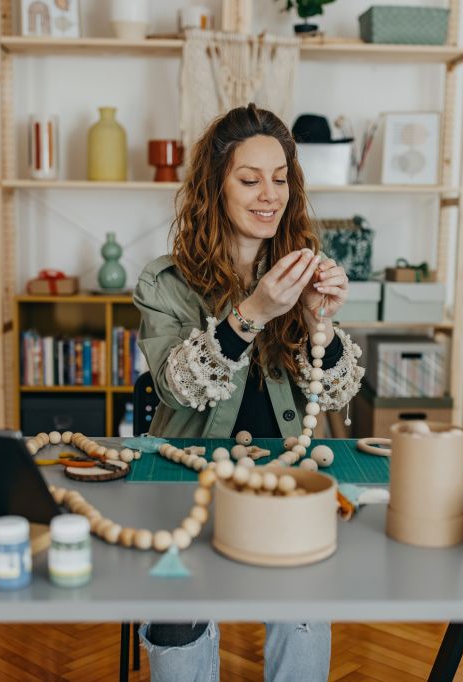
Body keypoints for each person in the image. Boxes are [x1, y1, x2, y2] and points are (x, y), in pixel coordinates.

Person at [132, 103, 364, 681]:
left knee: (304, 604)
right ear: (216, 187)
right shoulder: (166, 283)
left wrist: (321, 326)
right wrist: (253, 311)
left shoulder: (303, 268)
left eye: (281, 178)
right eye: (249, 178)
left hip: (283, 480)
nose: (270, 194)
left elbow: (337, 393)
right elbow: (177, 387)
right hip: (189, 481)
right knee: (175, 612)